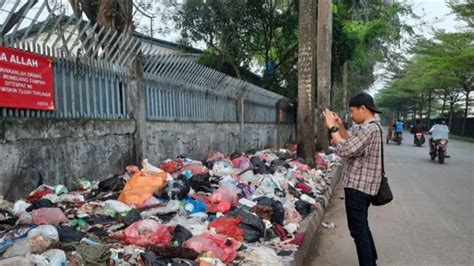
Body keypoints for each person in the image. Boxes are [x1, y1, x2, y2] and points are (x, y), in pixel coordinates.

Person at [322, 92, 383, 266]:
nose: (350, 114)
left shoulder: (370, 129)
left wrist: (332, 128)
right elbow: (352, 143)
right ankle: (372, 259)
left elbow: (345, 150)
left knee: (358, 231)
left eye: (352, 110)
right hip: (362, 187)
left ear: (363, 108)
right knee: (362, 226)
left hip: (359, 188)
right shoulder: (369, 128)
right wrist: (340, 127)